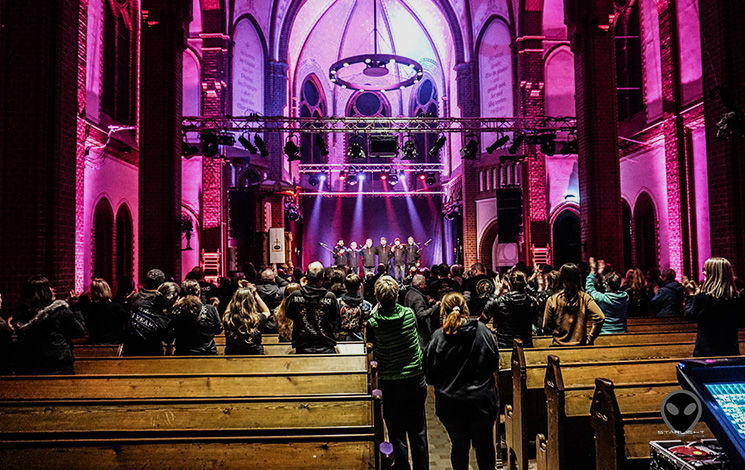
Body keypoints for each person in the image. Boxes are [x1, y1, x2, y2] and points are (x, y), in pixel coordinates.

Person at [424, 292, 498, 470]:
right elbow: (493, 363)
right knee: (485, 448)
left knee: (459, 447)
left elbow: (429, 374)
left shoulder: (438, 337)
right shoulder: (482, 331)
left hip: (451, 404)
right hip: (481, 402)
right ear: (465, 308)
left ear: (443, 311)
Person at [366, 276, 428, 470]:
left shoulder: (373, 322)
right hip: (414, 378)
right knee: (418, 432)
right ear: (397, 294)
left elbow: (371, 348)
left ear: (377, 296)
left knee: (396, 433)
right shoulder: (409, 314)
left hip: (390, 382)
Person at [11, 276, 86, 374]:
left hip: (29, 367)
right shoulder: (59, 313)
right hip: (58, 366)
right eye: (49, 287)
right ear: (44, 292)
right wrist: (75, 308)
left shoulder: (20, 315)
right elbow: (80, 331)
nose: (52, 289)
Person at [684, 257, 743, 357]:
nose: (703, 273)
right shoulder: (736, 299)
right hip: (730, 350)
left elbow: (690, 316)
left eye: (705, 270)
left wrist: (691, 296)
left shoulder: (703, 298)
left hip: (706, 351)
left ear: (713, 273)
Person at [543, 263, 605, 346]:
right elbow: (600, 317)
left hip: (558, 346)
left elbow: (546, 326)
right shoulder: (584, 298)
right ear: (578, 278)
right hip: (580, 346)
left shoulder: (553, 299)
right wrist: (590, 337)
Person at [285, 261, 341, 354]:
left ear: (306, 276)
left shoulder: (295, 296)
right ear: (322, 277)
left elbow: (289, 314)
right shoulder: (330, 297)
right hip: (325, 345)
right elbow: (336, 318)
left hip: (303, 344)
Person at [481, 270, 537, 348]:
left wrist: (496, 292)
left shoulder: (500, 301)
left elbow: (485, 314)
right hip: (525, 345)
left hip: (505, 345)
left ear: (509, 284)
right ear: (525, 284)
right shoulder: (531, 301)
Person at [122, 279, 178, 356]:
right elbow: (169, 339)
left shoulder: (138, 303)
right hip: (151, 358)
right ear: (170, 300)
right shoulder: (164, 321)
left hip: (129, 354)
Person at [171, 279, 224, 355]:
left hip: (183, 355)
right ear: (199, 293)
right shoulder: (210, 309)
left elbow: (170, 336)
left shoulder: (176, 310)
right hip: (208, 355)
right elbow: (219, 330)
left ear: (182, 293)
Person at [222, 283, 271, 355]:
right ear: (251, 302)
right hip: (255, 357)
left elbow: (227, 311)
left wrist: (237, 294)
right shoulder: (257, 318)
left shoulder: (229, 319)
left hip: (233, 357)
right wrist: (255, 294)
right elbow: (266, 311)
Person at [585, 258, 629, 334]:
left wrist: (592, 272)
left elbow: (589, 289)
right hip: (621, 331)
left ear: (606, 284)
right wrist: (601, 275)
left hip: (604, 332)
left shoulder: (602, 298)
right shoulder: (625, 297)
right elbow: (611, 288)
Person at [82, 278, 129, 344]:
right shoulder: (116, 308)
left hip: (96, 343)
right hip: (114, 342)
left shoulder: (91, 309)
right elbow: (126, 321)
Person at [404, 274, 440, 349]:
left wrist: (428, 303)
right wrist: (435, 307)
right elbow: (420, 314)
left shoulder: (410, 292)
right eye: (424, 283)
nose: (426, 285)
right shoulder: (418, 297)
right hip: (421, 332)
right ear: (419, 285)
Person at [337, 274, 372, 341]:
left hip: (341, 341)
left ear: (344, 286)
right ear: (360, 287)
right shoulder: (367, 305)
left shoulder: (337, 303)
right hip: (360, 342)